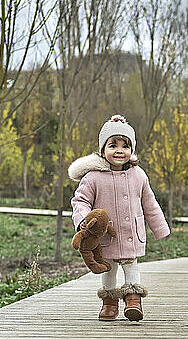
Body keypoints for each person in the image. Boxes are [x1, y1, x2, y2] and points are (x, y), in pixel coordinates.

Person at [68, 115, 170, 322]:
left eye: (125, 146)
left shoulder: (139, 175)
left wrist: (160, 228)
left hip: (131, 232)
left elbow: (149, 203)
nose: (119, 150)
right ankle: (109, 302)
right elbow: (80, 201)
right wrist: (84, 221)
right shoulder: (93, 177)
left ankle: (133, 299)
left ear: (131, 151)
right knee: (109, 267)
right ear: (102, 149)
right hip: (106, 235)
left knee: (131, 264)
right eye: (113, 145)